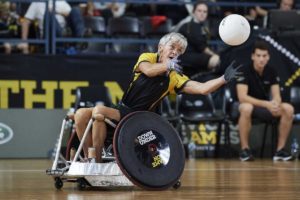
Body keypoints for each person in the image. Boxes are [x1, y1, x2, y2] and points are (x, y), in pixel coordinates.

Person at [73, 32, 240, 163]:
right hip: (123, 109)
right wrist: (167, 65)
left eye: (179, 51)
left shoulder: (174, 77)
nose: (175, 52)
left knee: (99, 110)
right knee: (80, 114)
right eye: (172, 47)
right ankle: (90, 159)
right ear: (161, 47)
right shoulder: (147, 58)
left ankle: (97, 161)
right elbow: (149, 71)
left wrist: (223, 79)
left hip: (141, 117)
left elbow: (202, 89)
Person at [236, 40, 294, 162]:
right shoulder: (244, 70)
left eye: (264, 56)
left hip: (264, 107)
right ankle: (244, 150)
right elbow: (242, 97)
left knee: (288, 109)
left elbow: (276, 95)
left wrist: (276, 103)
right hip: (246, 106)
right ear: (253, 56)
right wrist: (267, 104)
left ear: (268, 57)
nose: (261, 59)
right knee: (246, 107)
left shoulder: (271, 71)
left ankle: (280, 150)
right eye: (258, 56)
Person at [18, 0, 85, 54]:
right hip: (48, 36)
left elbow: (71, 15)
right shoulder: (37, 3)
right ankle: (64, 34)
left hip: (63, 34)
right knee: (49, 15)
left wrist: (56, 12)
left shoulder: (61, 2)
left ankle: (81, 39)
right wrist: (24, 42)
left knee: (75, 10)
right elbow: (26, 21)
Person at [177, 0, 220, 77]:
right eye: (199, 11)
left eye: (205, 11)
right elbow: (202, 47)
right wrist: (216, 55)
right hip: (186, 56)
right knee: (217, 59)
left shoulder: (201, 26)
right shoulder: (190, 26)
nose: (202, 14)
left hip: (196, 55)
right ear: (193, 12)